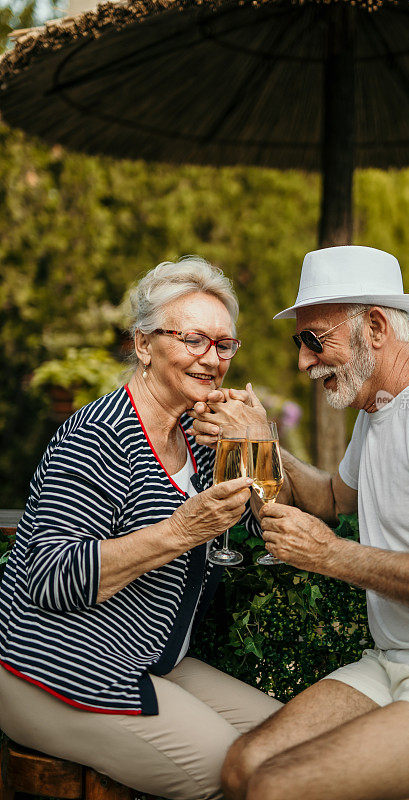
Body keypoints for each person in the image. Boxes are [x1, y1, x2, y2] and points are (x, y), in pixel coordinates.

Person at [189, 246, 409, 800]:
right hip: (396, 665)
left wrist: (330, 556)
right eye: (299, 342)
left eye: (313, 339)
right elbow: (331, 497)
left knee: (280, 787)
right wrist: (261, 440)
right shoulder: (378, 414)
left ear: (374, 326)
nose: (303, 361)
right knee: (243, 766)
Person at [0, 257, 281, 800]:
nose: (212, 358)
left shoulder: (200, 436)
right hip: (56, 669)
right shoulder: (96, 437)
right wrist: (178, 532)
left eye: (225, 345)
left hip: (152, 660)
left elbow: (261, 517)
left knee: (295, 743)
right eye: (195, 339)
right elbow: (49, 578)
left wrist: (258, 441)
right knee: (240, 776)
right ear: (144, 345)